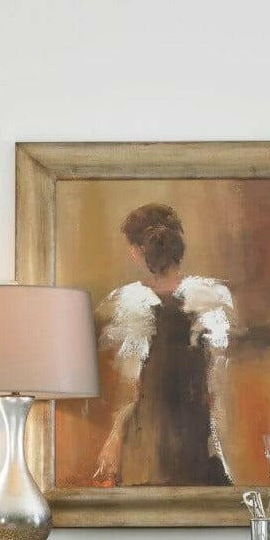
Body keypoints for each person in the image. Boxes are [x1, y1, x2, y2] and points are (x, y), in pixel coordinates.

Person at [94, 203, 235, 487]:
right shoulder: (211, 298)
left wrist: (114, 440)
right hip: (195, 438)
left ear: (136, 252)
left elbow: (131, 394)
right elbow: (213, 390)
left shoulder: (127, 305)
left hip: (148, 447)